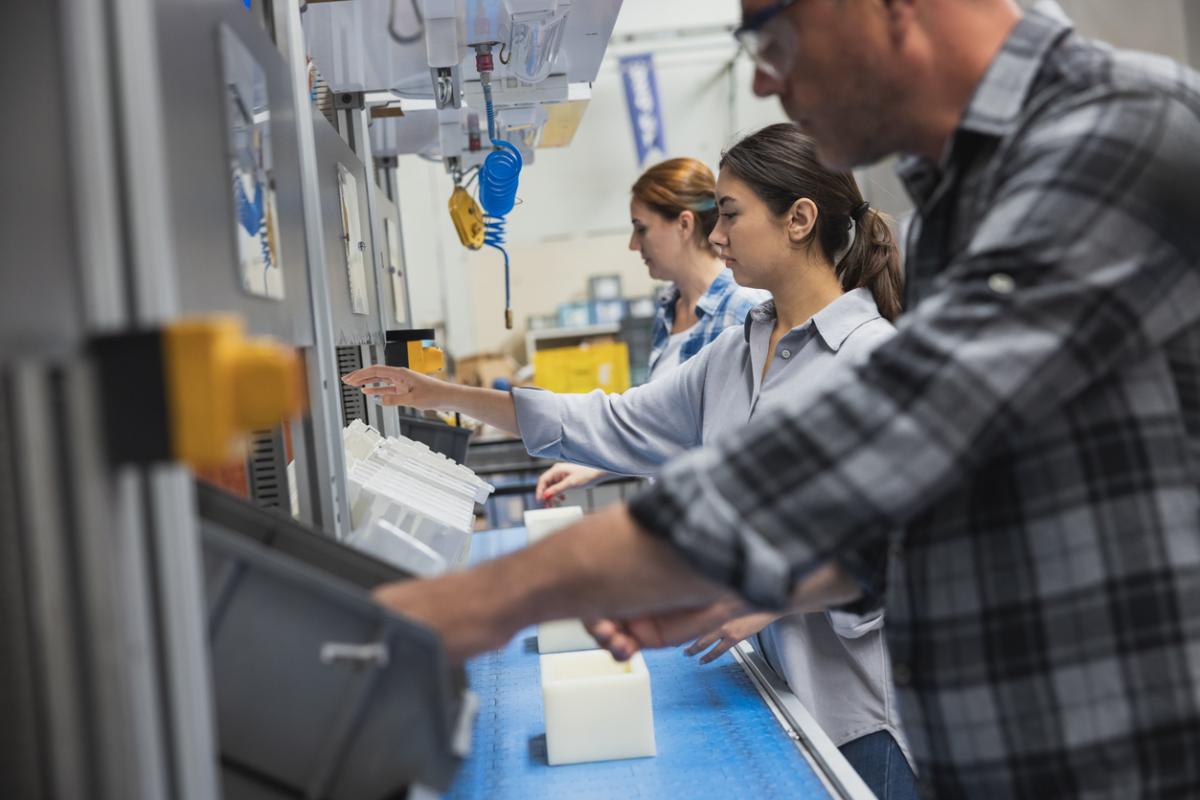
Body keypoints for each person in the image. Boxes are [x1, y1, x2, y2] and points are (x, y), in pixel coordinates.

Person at [367, 1, 1200, 796]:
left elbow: (891, 441)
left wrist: (489, 597)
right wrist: (777, 581)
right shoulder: (958, 195)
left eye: (772, 37)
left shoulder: (1123, 132)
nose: (765, 81)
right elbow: (939, 508)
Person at [346, 123, 915, 797]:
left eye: (730, 214)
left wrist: (772, 595)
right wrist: (444, 393)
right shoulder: (735, 352)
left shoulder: (874, 359)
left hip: (856, 723)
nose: (719, 234)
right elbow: (610, 421)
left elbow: (902, 554)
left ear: (799, 219)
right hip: (772, 695)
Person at [535, 158, 767, 505]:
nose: (633, 244)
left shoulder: (746, 311)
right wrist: (597, 467)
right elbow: (663, 425)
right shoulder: (667, 310)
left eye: (640, 228)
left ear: (684, 225)